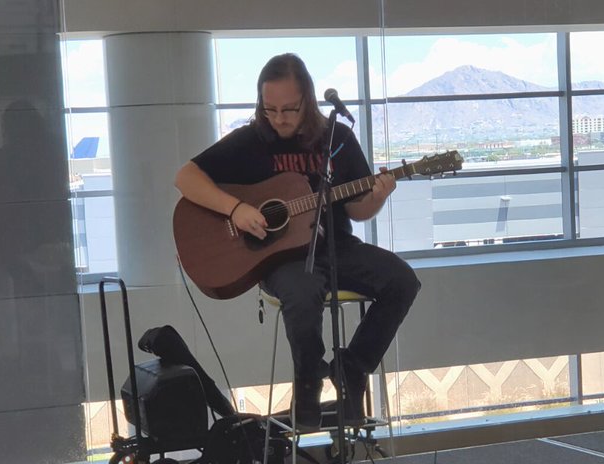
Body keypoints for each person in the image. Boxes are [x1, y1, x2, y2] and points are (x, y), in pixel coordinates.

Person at [174, 53, 420, 432]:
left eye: (289, 109)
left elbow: (357, 210)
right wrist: (236, 208)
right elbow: (186, 178)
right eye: (269, 108)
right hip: (280, 259)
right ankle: (308, 381)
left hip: (337, 247)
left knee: (402, 280)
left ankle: (352, 368)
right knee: (303, 294)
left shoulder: (337, 138)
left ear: (307, 100)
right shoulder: (251, 140)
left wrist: (380, 194)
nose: (279, 118)